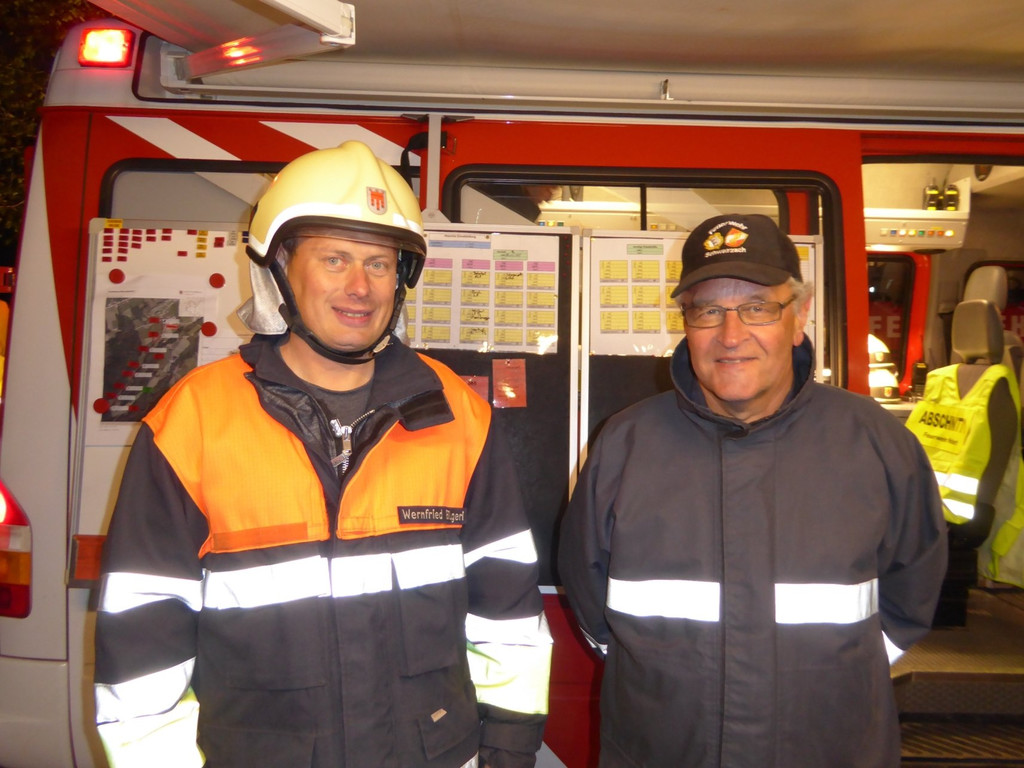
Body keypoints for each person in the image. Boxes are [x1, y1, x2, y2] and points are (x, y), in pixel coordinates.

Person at [94, 141, 552, 768]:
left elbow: (508, 612)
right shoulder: (193, 421)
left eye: (380, 263)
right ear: (281, 268)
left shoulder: (458, 415)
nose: (360, 287)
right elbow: (143, 639)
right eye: (335, 259)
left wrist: (508, 748)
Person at [558, 213, 947, 767]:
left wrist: (836, 674)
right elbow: (589, 591)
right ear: (686, 323)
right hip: (662, 749)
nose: (731, 335)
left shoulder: (877, 443)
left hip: (831, 748)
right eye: (708, 311)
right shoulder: (625, 443)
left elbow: (913, 592)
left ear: (799, 317)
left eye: (758, 307)